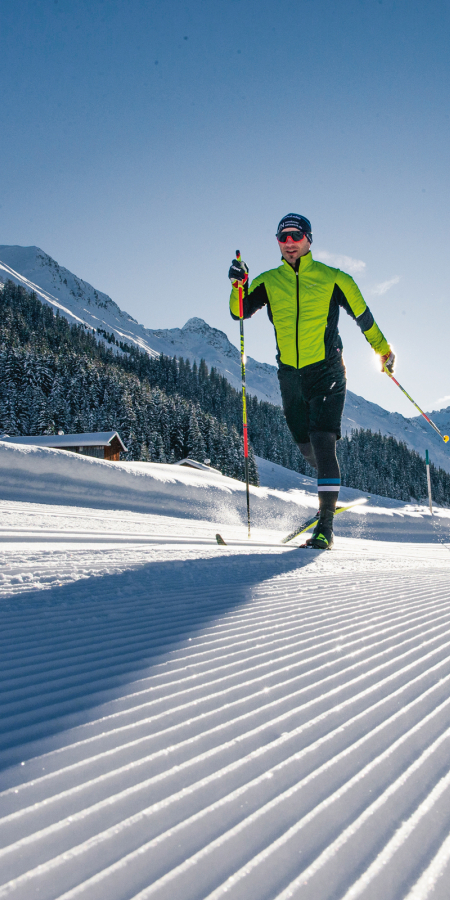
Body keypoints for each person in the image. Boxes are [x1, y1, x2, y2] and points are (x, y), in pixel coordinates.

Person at [228, 213, 394, 549]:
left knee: (322, 439)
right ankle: (328, 485)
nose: (289, 243)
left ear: (308, 239)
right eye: (283, 237)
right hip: (290, 374)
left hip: (328, 370)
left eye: (296, 236)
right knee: (302, 438)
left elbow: (364, 317)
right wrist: (238, 286)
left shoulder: (334, 278)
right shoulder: (269, 281)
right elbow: (240, 312)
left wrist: (384, 351)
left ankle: (326, 526)